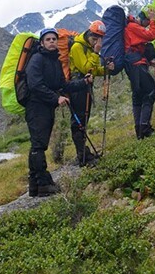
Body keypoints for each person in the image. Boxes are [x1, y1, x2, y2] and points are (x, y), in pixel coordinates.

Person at [24, 28, 93, 197]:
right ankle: (43, 183)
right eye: (48, 39)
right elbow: (35, 85)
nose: (52, 42)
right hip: (36, 107)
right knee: (39, 145)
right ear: (42, 42)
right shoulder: (37, 59)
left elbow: (63, 85)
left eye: (54, 39)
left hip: (46, 108)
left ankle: (35, 186)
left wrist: (83, 83)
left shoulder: (55, 61)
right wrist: (56, 99)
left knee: (38, 144)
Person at [68, 21, 107, 167]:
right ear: (89, 34)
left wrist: (105, 70)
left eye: (99, 39)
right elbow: (86, 69)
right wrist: (96, 53)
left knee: (83, 120)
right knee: (78, 122)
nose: (96, 42)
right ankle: (82, 155)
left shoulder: (89, 48)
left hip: (86, 88)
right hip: (77, 88)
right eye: (95, 38)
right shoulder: (77, 47)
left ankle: (83, 154)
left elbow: (94, 70)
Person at [124, 5, 155, 139]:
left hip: (133, 64)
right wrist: (153, 20)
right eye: (146, 23)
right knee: (149, 93)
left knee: (138, 96)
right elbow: (151, 35)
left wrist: (149, 62)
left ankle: (139, 130)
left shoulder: (130, 27)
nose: (146, 25)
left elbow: (135, 47)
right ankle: (144, 128)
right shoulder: (133, 27)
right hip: (137, 65)